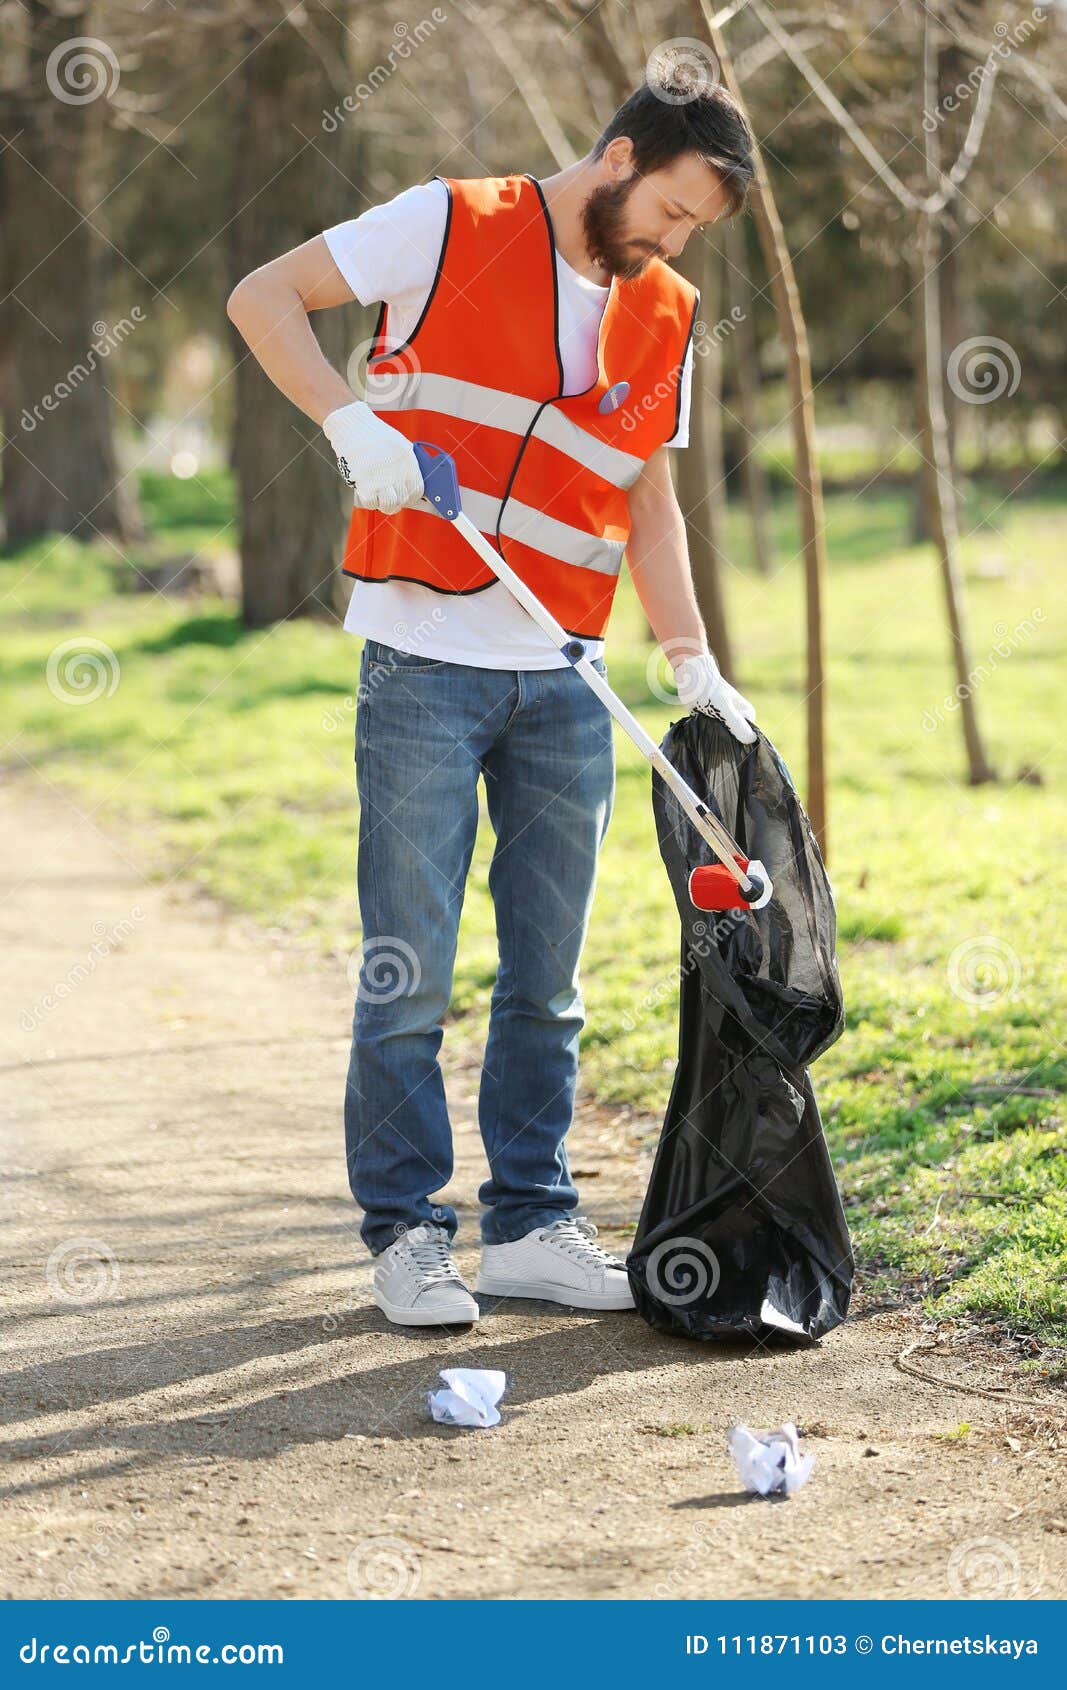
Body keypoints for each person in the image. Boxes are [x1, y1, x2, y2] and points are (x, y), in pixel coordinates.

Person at [226, 76, 758, 1327]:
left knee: (547, 976)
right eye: (669, 210)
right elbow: (262, 298)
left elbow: (647, 501)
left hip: (563, 674)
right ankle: (408, 1234)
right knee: (410, 967)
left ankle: (531, 1220)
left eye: (693, 230)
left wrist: (688, 657)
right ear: (616, 156)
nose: (673, 243)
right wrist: (346, 419)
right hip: (421, 657)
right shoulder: (449, 222)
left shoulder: (664, 311)